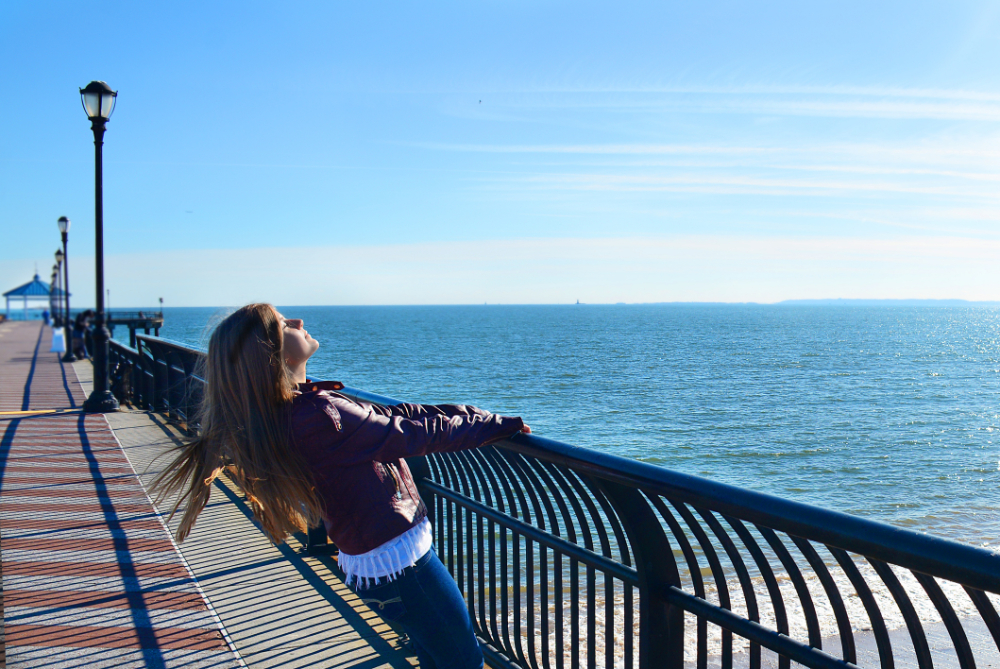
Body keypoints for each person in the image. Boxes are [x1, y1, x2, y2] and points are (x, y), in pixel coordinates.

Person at [152, 303, 529, 669]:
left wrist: (470, 415)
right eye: (284, 323)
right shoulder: (318, 416)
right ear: (272, 354)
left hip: (377, 561)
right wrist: (495, 424)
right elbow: (410, 433)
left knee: (436, 657)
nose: (297, 320)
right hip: (401, 564)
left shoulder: (294, 411)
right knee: (463, 660)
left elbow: (393, 416)